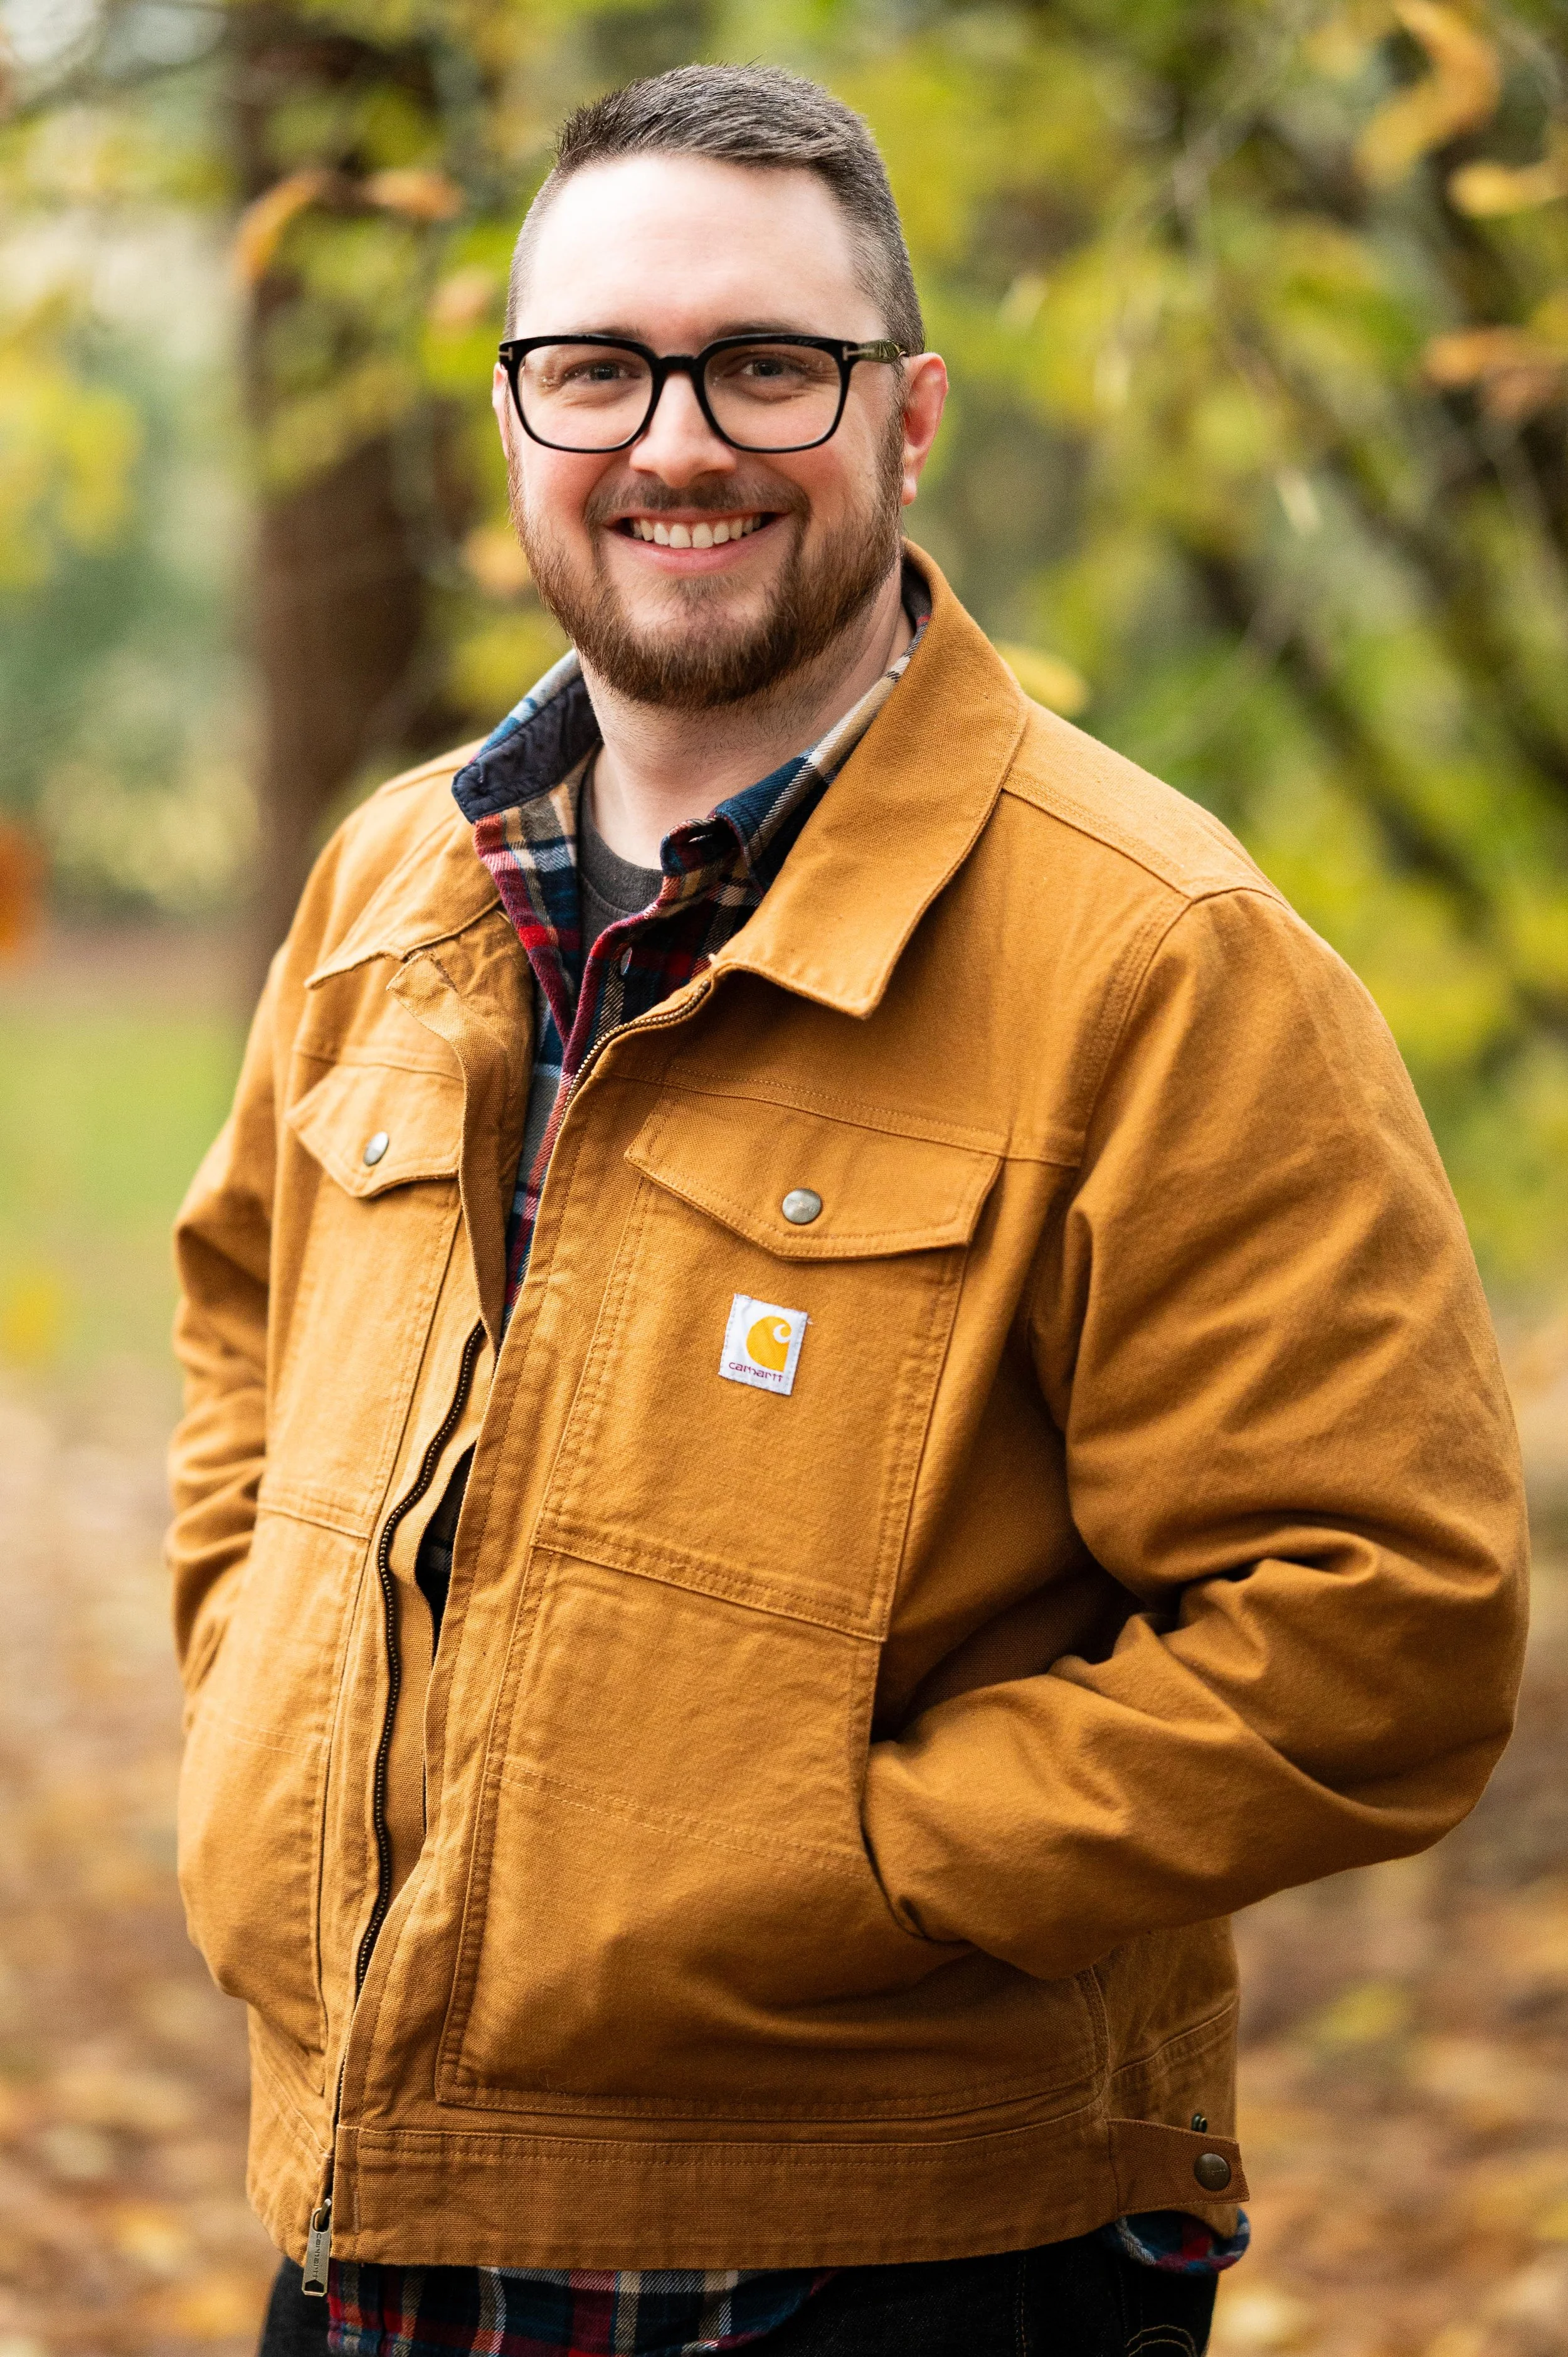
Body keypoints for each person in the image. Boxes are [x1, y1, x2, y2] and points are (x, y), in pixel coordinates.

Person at [169, 63, 1528, 2357]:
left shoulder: (1153, 953)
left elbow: (1379, 1626)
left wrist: (849, 1853)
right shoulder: (394, 879)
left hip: (890, 2258)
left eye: (764, 366)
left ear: (906, 421)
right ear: (514, 424)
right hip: (369, 2196)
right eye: (594, 367)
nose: (672, 439)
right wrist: (259, 1703)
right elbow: (242, 1328)